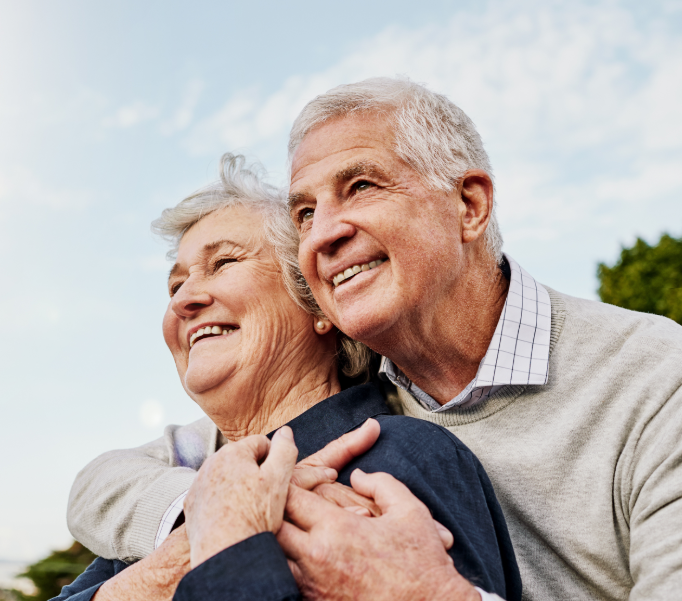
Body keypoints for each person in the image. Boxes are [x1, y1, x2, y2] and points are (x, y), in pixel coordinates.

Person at [68, 77, 682, 600]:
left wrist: (433, 593)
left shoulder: (656, 378)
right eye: (305, 212)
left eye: (361, 186)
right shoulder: (310, 427)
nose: (323, 235)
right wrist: (204, 521)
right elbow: (112, 480)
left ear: (469, 205)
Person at [57, 154, 521, 601]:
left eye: (223, 263)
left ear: (318, 305)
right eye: (176, 286)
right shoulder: (167, 499)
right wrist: (188, 546)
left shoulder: (400, 458)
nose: (184, 300)